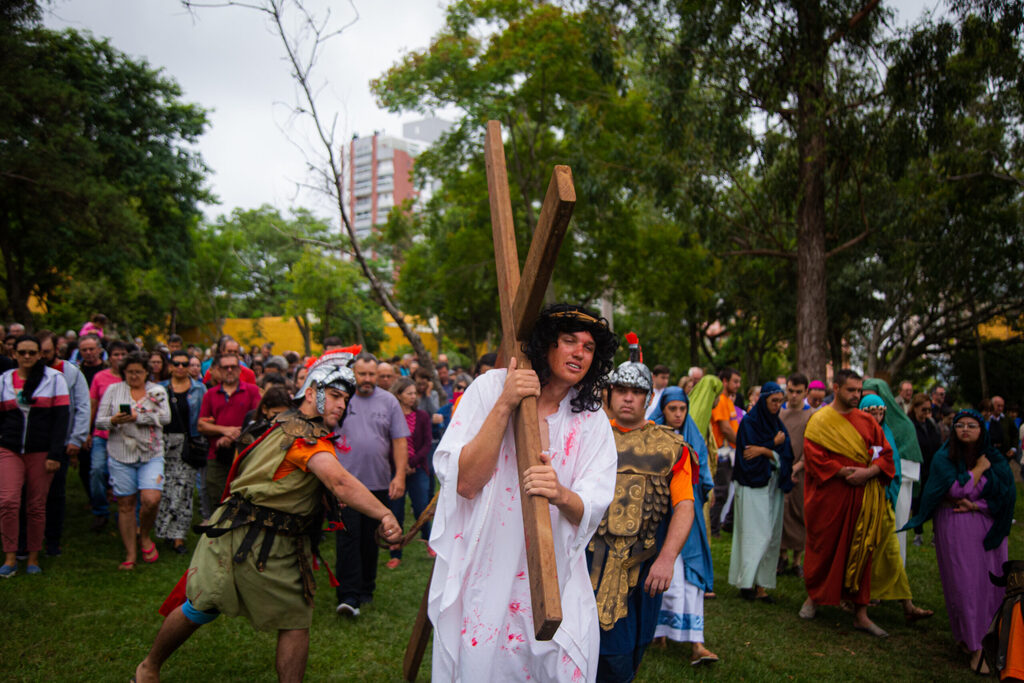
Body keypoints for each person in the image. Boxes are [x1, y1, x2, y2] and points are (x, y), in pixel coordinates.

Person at [134, 350, 403, 683]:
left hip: (283, 547)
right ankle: (147, 668)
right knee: (200, 606)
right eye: (334, 395)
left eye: (344, 399)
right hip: (237, 540)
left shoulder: (288, 423)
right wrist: (384, 513)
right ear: (311, 393)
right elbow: (339, 481)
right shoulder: (304, 437)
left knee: (296, 621)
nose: (340, 404)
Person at [429, 304, 618, 681]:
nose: (579, 352)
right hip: (488, 562)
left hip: (555, 575)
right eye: (569, 341)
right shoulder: (490, 388)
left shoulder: (590, 419)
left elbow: (594, 505)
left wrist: (561, 494)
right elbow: (464, 483)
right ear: (547, 344)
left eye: (589, 347)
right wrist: (506, 402)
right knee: (484, 662)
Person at [590, 337, 695, 681]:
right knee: (597, 652)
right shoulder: (588, 436)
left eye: (636, 392)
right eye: (621, 390)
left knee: (631, 650)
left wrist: (666, 559)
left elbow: (684, 507)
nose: (628, 398)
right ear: (610, 393)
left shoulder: (672, 447)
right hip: (587, 562)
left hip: (641, 566)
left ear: (650, 398)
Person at [903, 409, 1015, 674]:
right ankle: (975, 645)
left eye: (972, 425)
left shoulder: (994, 457)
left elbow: (1006, 493)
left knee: (990, 586)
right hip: (955, 526)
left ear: (981, 430)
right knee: (965, 585)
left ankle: (991, 640)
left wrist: (978, 505)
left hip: (989, 530)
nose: (965, 429)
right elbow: (955, 490)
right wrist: (978, 469)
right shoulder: (945, 458)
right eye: (960, 425)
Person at [799, 369, 895, 637]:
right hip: (830, 495)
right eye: (851, 390)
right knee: (824, 546)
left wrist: (869, 472)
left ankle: (861, 613)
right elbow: (814, 457)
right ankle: (814, 597)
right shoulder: (820, 421)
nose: (856, 395)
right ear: (836, 388)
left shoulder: (867, 421)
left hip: (863, 496)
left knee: (861, 549)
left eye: (859, 390)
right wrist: (844, 473)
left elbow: (885, 454)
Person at [333, 352, 408, 616]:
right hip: (345, 484)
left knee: (371, 538)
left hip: (377, 483)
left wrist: (399, 475)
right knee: (348, 538)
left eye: (371, 374)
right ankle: (348, 594)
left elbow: (399, 440)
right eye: (361, 374)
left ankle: (366, 588)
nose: (366, 379)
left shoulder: (389, 401)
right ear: (353, 374)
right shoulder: (341, 398)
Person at [649, 386, 718, 666]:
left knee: (691, 574)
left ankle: (696, 642)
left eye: (682, 409)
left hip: (689, 516)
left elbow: (704, 477)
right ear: (663, 410)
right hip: (658, 518)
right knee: (667, 574)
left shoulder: (694, 436)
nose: (678, 414)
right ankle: (659, 632)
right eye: (672, 409)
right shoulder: (651, 436)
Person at [858, 394, 933, 625]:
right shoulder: (855, 433)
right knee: (860, 551)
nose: (877, 417)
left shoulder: (887, 433)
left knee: (891, 550)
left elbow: (893, 463)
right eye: (872, 412)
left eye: (880, 412)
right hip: (861, 501)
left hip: (884, 499)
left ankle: (907, 604)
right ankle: (855, 599)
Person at [0, 336, 70, 577]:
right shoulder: (4, 380)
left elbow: (61, 420)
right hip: (9, 449)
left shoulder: (54, 379)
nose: (27, 356)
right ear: (14, 354)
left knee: (36, 505)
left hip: (41, 451)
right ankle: (10, 556)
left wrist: (55, 454)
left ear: (40, 354)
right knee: (8, 502)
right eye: (22, 352)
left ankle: (33, 556)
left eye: (32, 352)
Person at [96, 352, 170, 569]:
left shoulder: (156, 390)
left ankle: (144, 534)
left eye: (138, 371)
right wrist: (113, 420)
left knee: (151, 498)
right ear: (123, 372)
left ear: (147, 372)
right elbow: (100, 422)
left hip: (151, 453)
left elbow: (166, 418)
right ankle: (130, 554)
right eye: (130, 372)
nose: (134, 376)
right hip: (121, 453)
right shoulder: (113, 390)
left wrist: (139, 417)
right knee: (125, 504)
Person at [729, 382, 793, 601]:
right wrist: (771, 446)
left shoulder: (777, 425)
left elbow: (786, 455)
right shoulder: (749, 423)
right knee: (755, 534)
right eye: (773, 401)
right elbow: (747, 455)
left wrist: (766, 450)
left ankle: (760, 585)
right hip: (751, 486)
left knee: (770, 536)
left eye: (779, 401)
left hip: (772, 486)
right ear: (764, 400)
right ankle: (747, 582)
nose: (777, 405)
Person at [36, 331, 90, 557]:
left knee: (55, 493)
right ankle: (30, 539)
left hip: (60, 443)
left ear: (56, 350)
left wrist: (76, 438)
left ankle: (53, 540)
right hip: (32, 444)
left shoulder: (69, 372)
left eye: (46, 352)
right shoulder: (27, 373)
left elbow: (82, 406)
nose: (41, 356)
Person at [862, 378, 924, 563]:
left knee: (894, 534)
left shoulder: (903, 426)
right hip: (867, 486)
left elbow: (908, 459)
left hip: (898, 485)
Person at [197, 353, 261, 519]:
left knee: (244, 498)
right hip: (216, 454)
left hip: (245, 455)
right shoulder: (210, 394)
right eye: (225, 367)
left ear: (240, 370)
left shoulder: (252, 391)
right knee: (216, 496)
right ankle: (216, 534)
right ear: (217, 370)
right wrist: (224, 431)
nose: (230, 370)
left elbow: (259, 421)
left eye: (233, 367)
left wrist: (234, 435)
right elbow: (201, 425)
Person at [155, 350, 206, 554]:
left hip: (188, 443)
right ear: (170, 366)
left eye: (185, 364)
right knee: (164, 488)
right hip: (162, 442)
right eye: (177, 363)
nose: (181, 368)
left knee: (184, 489)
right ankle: (166, 529)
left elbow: (202, 416)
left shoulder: (199, 389)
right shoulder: (160, 390)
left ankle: (178, 536)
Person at [386, 377, 433, 569]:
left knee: (422, 507)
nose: (414, 397)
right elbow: (388, 444)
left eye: (415, 393)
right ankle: (395, 551)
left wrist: (412, 463)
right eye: (409, 393)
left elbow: (427, 444)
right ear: (399, 395)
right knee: (395, 511)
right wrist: (401, 466)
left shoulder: (421, 416)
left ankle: (429, 541)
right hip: (396, 470)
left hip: (418, 468)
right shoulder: (391, 417)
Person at [86, 340, 129, 532]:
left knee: (123, 477)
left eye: (123, 354)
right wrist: (87, 432)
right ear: (109, 357)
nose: (119, 358)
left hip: (125, 436)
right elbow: (92, 405)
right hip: (101, 434)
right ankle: (101, 511)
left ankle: (125, 512)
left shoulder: (132, 377)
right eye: (116, 355)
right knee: (96, 471)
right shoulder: (100, 377)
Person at [779, 372, 811, 575]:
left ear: (805, 392)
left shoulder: (813, 415)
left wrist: (798, 466)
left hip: (802, 472)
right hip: (781, 471)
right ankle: (781, 557)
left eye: (798, 392)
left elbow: (812, 447)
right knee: (781, 514)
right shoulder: (779, 412)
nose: (794, 396)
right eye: (790, 391)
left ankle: (797, 560)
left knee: (800, 514)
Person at [709, 368, 741, 536]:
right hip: (722, 452)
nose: (738, 385)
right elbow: (725, 428)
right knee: (721, 492)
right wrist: (743, 444)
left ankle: (722, 524)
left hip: (730, 451)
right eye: (735, 381)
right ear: (725, 382)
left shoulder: (728, 400)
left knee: (726, 491)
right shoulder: (720, 400)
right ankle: (714, 528)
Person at [909, 393, 942, 546]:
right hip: (917, 468)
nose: (926, 413)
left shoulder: (932, 424)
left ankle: (936, 533)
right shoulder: (910, 425)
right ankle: (918, 533)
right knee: (918, 502)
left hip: (932, 468)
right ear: (915, 408)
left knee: (935, 501)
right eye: (923, 409)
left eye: (929, 410)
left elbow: (937, 443)